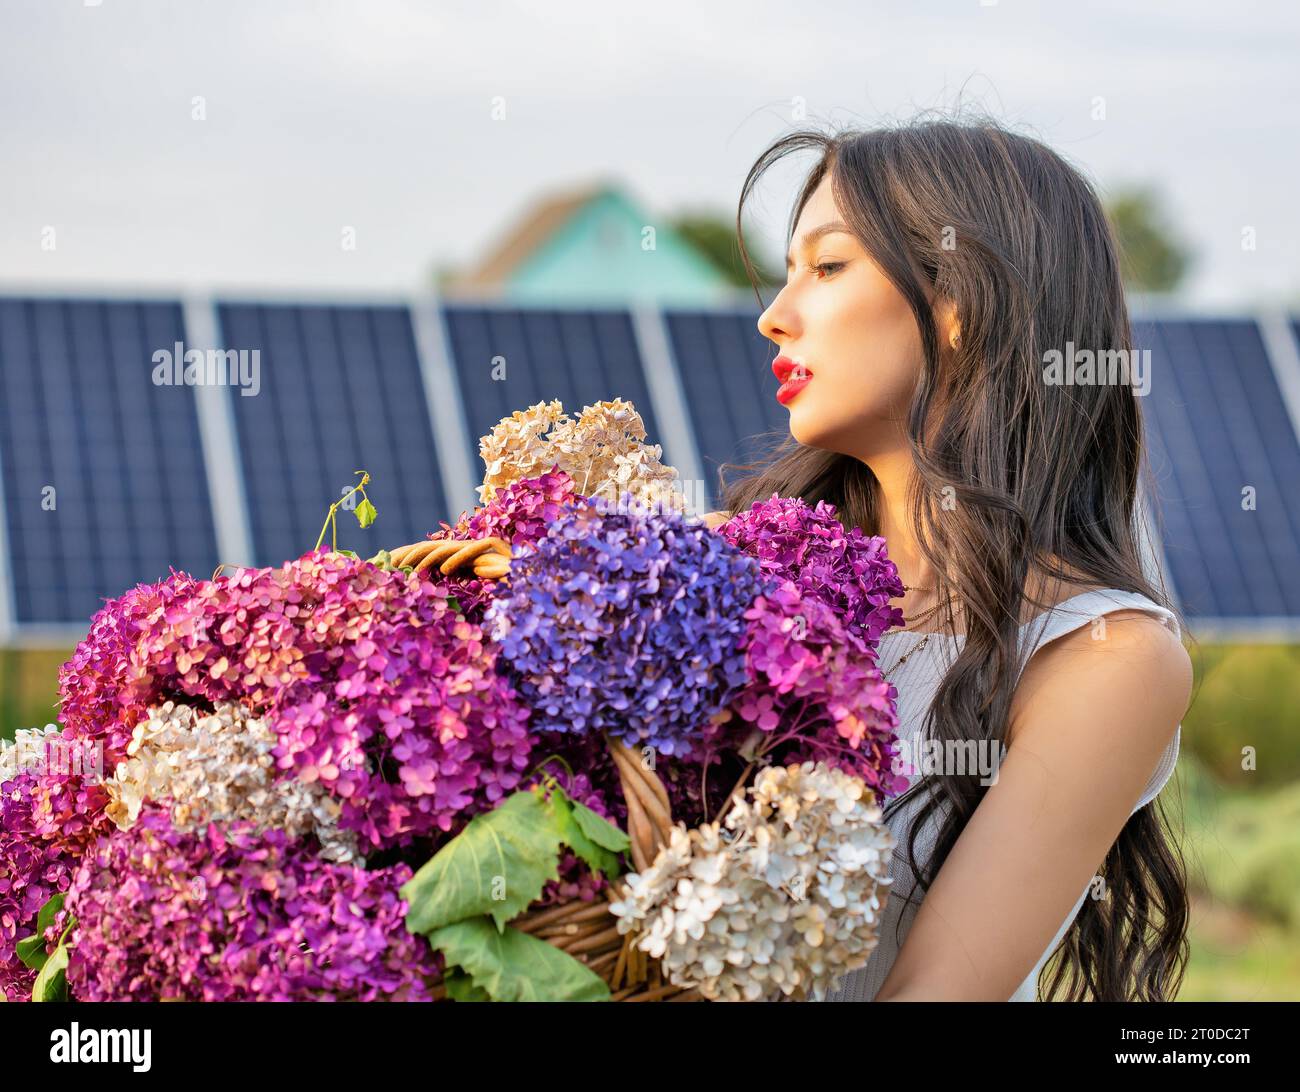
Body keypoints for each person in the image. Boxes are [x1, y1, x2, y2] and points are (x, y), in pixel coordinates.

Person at [705, 118, 1193, 1001]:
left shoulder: (1101, 660)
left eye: (826, 267)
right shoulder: (730, 578)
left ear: (958, 303)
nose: (773, 317)